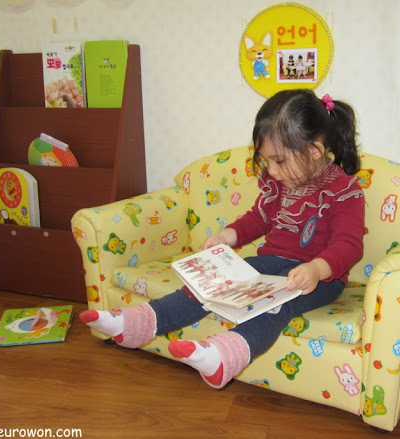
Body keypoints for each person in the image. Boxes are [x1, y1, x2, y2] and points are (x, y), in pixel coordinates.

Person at [80, 89, 365, 389]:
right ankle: (137, 323)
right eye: (266, 161)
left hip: (321, 281)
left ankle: (223, 356)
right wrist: (226, 236)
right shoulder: (280, 182)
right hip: (269, 263)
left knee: (277, 305)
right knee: (215, 285)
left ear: (315, 151)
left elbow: (348, 246)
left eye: (279, 161)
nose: (271, 170)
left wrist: (316, 270)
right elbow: (259, 218)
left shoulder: (344, 191)